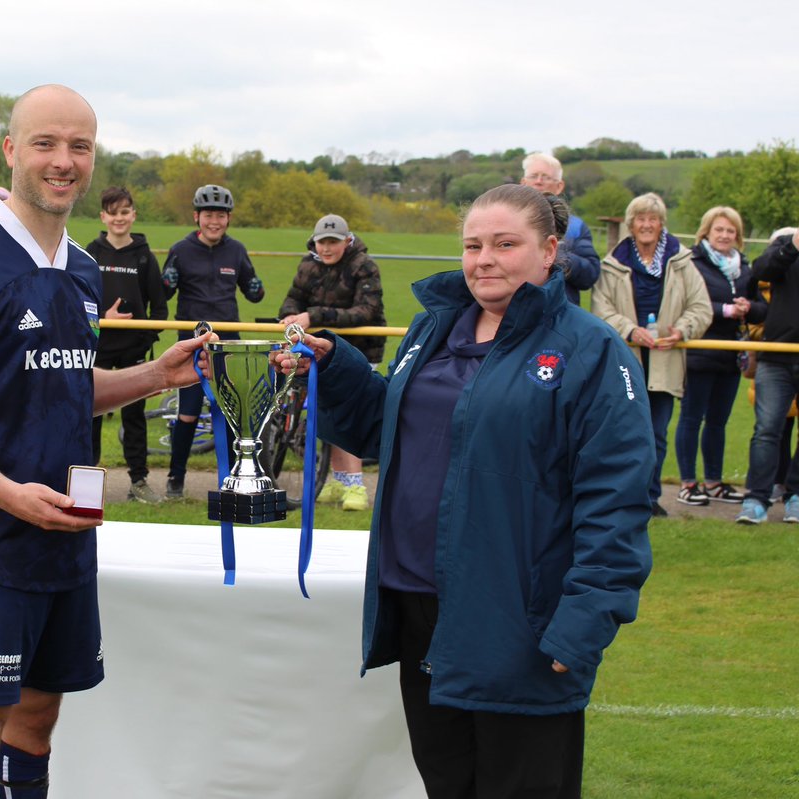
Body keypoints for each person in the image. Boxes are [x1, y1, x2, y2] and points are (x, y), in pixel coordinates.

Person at [0, 84, 213, 799]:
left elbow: (62, 384)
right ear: (11, 151)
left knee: (35, 725)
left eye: (80, 146)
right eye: (46, 143)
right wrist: (8, 493)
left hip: (64, 531)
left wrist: (155, 373)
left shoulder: (84, 269)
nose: (64, 161)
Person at [278, 184, 653, 798]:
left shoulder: (590, 350)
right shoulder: (433, 328)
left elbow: (617, 497)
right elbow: (390, 430)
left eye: (506, 244)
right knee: (448, 785)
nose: (485, 259)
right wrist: (334, 366)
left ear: (550, 250)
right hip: (421, 606)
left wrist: (587, 617)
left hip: (518, 616)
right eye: (474, 245)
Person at [592, 192, 712, 518]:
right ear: (631, 224)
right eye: (640, 219)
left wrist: (681, 330)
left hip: (664, 360)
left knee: (656, 434)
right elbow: (600, 309)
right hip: (624, 361)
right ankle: (620, 496)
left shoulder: (682, 262)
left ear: (662, 224)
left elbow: (701, 308)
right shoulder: (613, 263)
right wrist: (630, 330)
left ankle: (649, 496)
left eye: (653, 219)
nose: (646, 225)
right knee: (620, 433)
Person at [160, 183, 265, 497]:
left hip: (228, 344)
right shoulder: (180, 249)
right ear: (196, 217)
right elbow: (163, 294)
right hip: (192, 344)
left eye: (220, 216)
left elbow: (253, 293)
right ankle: (175, 479)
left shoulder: (237, 250)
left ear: (228, 219)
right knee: (188, 413)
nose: (214, 222)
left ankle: (235, 480)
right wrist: (166, 281)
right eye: (208, 215)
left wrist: (257, 288)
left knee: (233, 414)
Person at [278, 213, 385, 511]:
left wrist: (313, 316)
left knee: (348, 418)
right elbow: (292, 299)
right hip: (321, 356)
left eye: (333, 242)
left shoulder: (364, 266)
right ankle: (337, 480)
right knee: (328, 417)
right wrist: (288, 315)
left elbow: (366, 311)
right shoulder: (308, 265)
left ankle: (356, 486)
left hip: (359, 355)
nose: (326, 248)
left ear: (347, 241)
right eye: (321, 242)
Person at [673, 207, 764, 507]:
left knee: (718, 421)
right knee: (691, 417)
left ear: (737, 236)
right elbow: (685, 301)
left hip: (731, 354)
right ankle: (688, 483)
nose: (725, 236)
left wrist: (748, 307)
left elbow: (762, 307)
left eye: (730, 231)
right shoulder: (692, 263)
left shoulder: (745, 268)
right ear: (706, 233)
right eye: (719, 230)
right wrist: (725, 309)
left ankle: (713, 481)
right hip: (699, 349)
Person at [85, 186, 169, 503]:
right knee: (90, 414)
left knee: (133, 417)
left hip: (133, 351)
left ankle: (139, 482)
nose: (119, 218)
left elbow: (159, 309)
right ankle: (87, 483)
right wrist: (100, 320)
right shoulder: (91, 253)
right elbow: (79, 302)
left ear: (133, 215)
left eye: (124, 212)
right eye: (113, 212)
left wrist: (143, 338)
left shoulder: (145, 256)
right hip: (99, 349)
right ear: (103, 216)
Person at [735, 226, 799, 524]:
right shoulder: (786, 244)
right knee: (766, 430)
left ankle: (795, 497)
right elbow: (760, 270)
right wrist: (793, 246)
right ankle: (756, 500)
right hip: (776, 355)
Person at [520, 152, 601, 305]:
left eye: (546, 177)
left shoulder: (576, 227)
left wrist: (556, 254)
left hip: (561, 316)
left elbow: (590, 275)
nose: (538, 181)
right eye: (533, 176)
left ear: (559, 186)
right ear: (523, 183)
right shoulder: (506, 223)